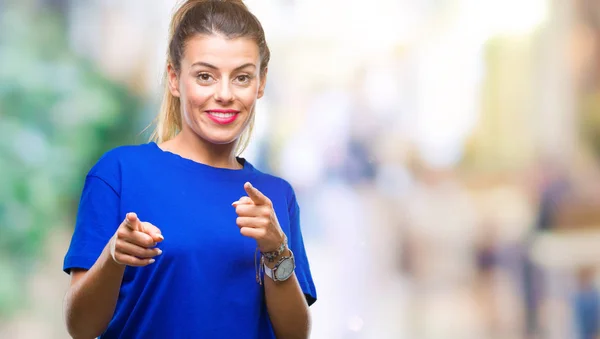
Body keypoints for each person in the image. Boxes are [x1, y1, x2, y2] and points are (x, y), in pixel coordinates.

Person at [62, 1, 317, 338]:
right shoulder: (118, 174)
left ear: (261, 82)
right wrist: (113, 256)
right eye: (204, 76)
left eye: (241, 77)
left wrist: (276, 250)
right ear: (174, 78)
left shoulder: (276, 196)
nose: (224, 94)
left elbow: (295, 335)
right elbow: (80, 328)